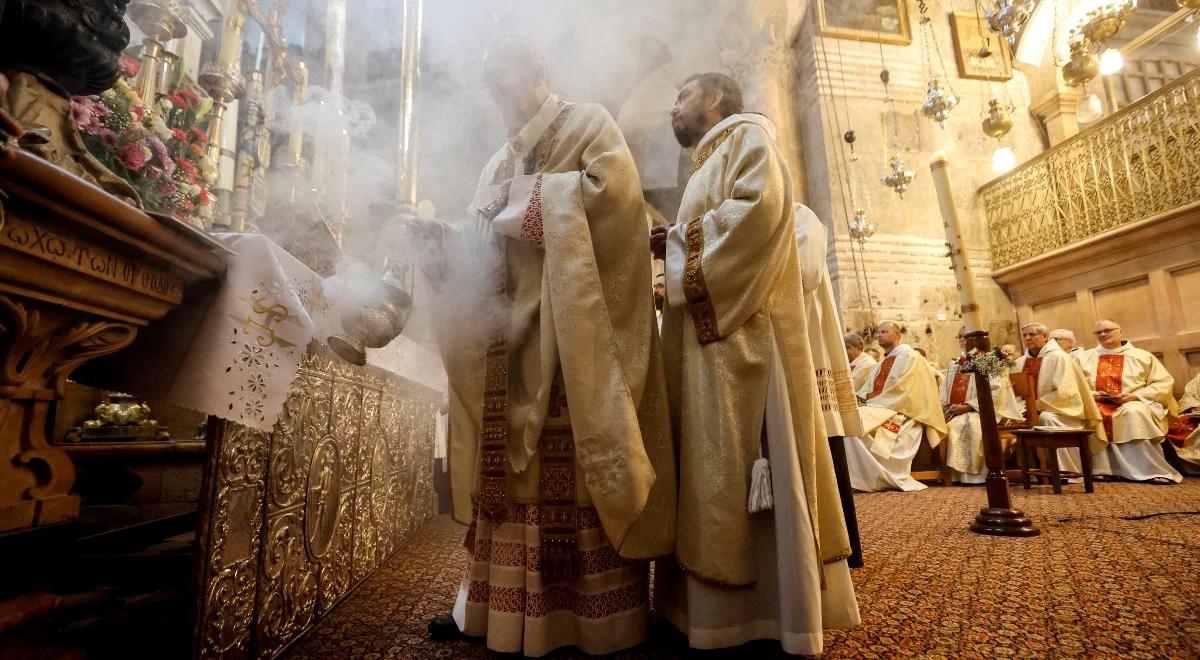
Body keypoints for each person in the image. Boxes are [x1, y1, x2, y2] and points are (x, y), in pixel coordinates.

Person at [423, 37, 676, 657]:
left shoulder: (588, 122)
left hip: (570, 336)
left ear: (536, 72)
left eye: (504, 80)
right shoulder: (496, 158)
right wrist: (442, 240)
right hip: (505, 340)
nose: (496, 96)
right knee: (505, 471)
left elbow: (617, 202)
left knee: (568, 462)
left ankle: (585, 619)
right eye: (488, 86)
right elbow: (483, 233)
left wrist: (530, 203)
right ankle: (490, 608)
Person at [650, 71, 858, 656]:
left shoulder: (749, 139)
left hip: (745, 343)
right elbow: (713, 229)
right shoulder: (709, 160)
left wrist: (677, 244)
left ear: (715, 100)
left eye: (682, 95)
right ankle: (715, 615)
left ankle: (770, 615)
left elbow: (757, 218)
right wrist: (676, 240)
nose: (673, 108)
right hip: (711, 345)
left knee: (748, 470)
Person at [842, 321, 947, 492]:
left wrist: (874, 401)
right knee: (848, 418)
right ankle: (860, 477)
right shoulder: (884, 362)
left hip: (901, 410)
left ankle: (871, 476)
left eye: (884, 331)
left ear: (898, 335)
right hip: (881, 407)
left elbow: (907, 390)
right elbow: (869, 388)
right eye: (878, 332)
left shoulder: (911, 357)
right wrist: (862, 399)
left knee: (854, 422)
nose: (879, 335)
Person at [1077, 320, 1181, 484]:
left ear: (1120, 331)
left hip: (1134, 400)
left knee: (1134, 412)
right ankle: (1102, 469)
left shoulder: (1142, 355)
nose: (1103, 335)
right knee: (1093, 414)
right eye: (1098, 333)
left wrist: (1135, 396)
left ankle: (1149, 470)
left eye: (1108, 330)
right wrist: (1093, 395)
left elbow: (1163, 383)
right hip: (1096, 401)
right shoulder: (1084, 358)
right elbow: (1076, 385)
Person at [1013, 322, 1105, 478]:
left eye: (1032, 334)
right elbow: (1013, 390)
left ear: (1045, 337)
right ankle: (1032, 474)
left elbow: (1066, 392)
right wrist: (1020, 407)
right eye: (1025, 335)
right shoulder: (1019, 362)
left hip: (1062, 411)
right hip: (1026, 409)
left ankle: (1066, 472)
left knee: (1046, 419)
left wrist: (1036, 405)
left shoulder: (1059, 357)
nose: (1028, 338)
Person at [941, 327, 1025, 484]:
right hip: (956, 411)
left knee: (966, 425)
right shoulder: (954, 363)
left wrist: (968, 406)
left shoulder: (992, 361)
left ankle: (975, 477)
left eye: (966, 337)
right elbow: (945, 390)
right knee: (941, 425)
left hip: (982, 411)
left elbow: (997, 390)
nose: (962, 340)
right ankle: (954, 476)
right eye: (959, 337)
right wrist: (946, 406)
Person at [1169, 372, 1200, 468]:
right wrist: (1193, 406)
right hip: (1196, 415)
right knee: (1171, 428)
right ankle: (1183, 465)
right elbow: (1189, 396)